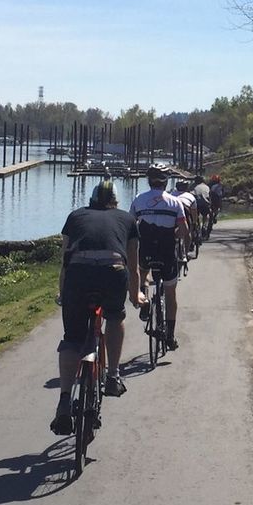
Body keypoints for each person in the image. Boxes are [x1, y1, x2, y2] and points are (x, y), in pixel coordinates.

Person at [53, 180, 144, 435]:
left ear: (91, 200)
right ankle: (113, 376)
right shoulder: (127, 219)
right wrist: (135, 294)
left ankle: (64, 400)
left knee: (72, 339)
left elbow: (65, 260)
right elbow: (133, 265)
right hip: (113, 273)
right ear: (115, 201)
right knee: (114, 317)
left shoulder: (75, 216)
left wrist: (63, 293)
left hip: (78, 275)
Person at [130, 166, 190, 350]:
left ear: (149, 181)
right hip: (167, 253)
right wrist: (174, 237)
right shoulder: (175, 202)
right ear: (166, 181)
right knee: (170, 293)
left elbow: (130, 227)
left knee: (143, 272)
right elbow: (184, 230)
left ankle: (144, 300)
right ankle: (170, 336)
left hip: (146, 251)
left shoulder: (139, 199)